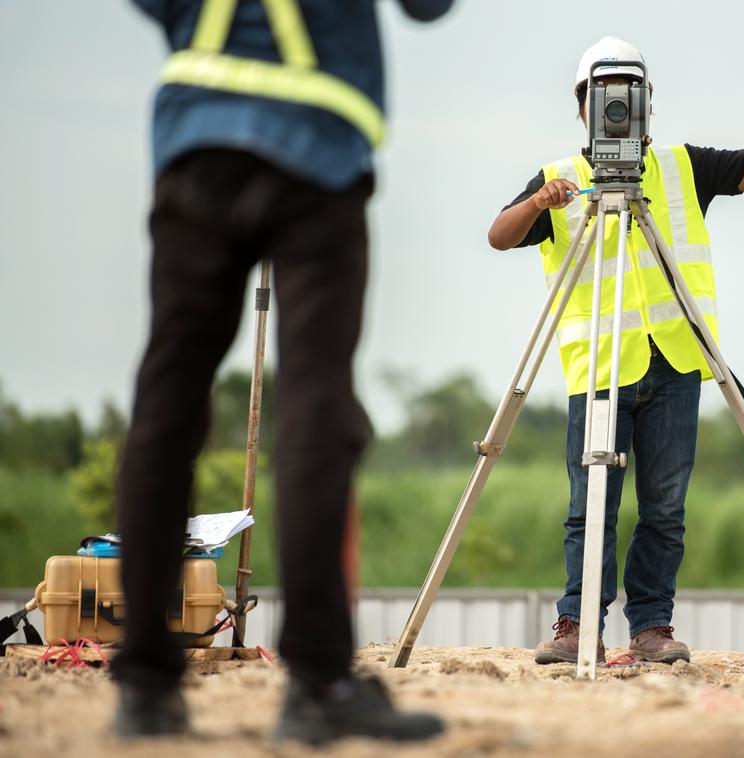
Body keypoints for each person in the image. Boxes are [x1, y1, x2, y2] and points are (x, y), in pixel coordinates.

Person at [488, 37, 744, 666]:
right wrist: (537, 203)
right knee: (590, 506)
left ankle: (650, 628)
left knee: (665, 505)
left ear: (647, 104)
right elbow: (499, 236)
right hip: (600, 370)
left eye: (628, 98)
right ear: (582, 107)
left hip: (678, 364)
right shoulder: (560, 182)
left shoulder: (683, 167)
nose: (617, 111)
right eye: (605, 99)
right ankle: (576, 624)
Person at [113, 0, 453, 744]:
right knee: (314, 409)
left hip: (193, 136)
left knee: (166, 408)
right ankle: (318, 682)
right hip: (318, 152)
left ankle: (142, 686)